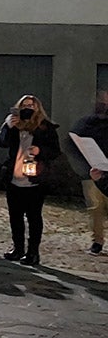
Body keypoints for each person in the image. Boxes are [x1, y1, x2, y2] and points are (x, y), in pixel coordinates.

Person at [0, 94, 61, 265]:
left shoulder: (45, 127)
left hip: (35, 179)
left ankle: (33, 252)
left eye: (31, 105)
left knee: (33, 217)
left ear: (37, 108)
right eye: (24, 105)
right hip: (14, 178)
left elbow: (55, 152)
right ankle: (18, 249)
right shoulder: (15, 125)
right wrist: (7, 127)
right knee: (15, 216)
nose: (27, 108)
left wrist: (40, 151)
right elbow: (2, 143)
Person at [66, 92, 108, 255]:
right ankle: (97, 241)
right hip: (92, 173)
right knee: (96, 208)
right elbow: (73, 143)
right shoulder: (87, 123)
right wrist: (86, 164)